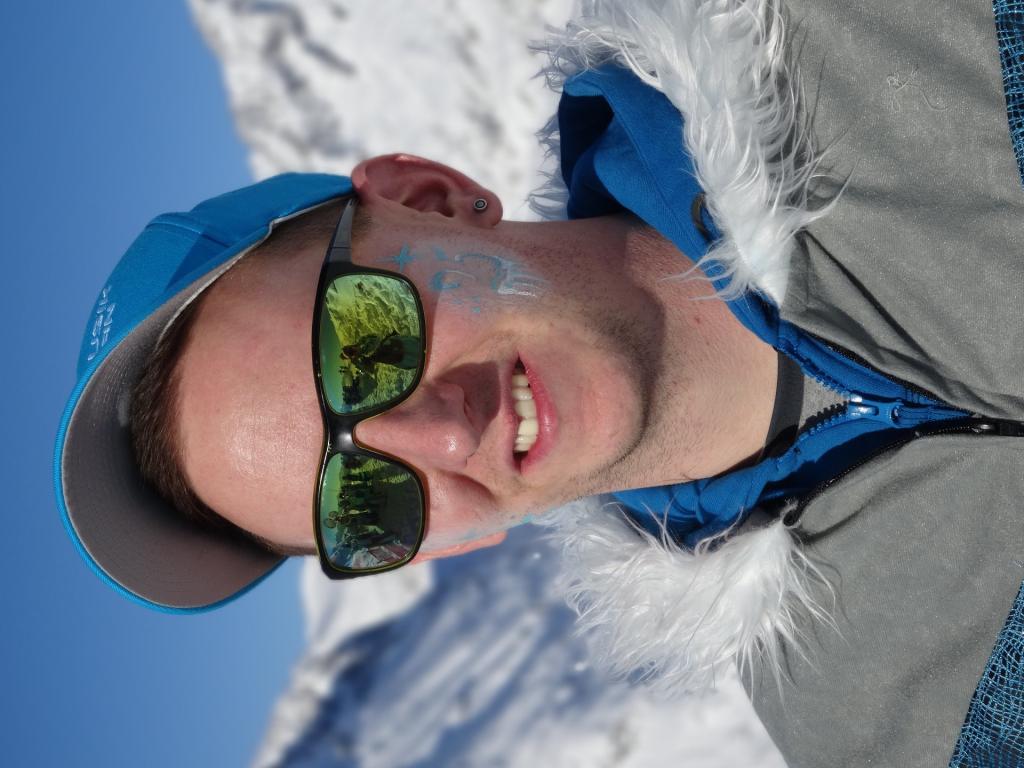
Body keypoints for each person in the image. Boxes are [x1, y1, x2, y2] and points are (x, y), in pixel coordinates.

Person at [55, 0, 1024, 765]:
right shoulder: (877, 728)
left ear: (430, 197)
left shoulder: (876, 23)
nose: (444, 436)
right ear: (422, 546)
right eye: (361, 505)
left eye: (363, 346)